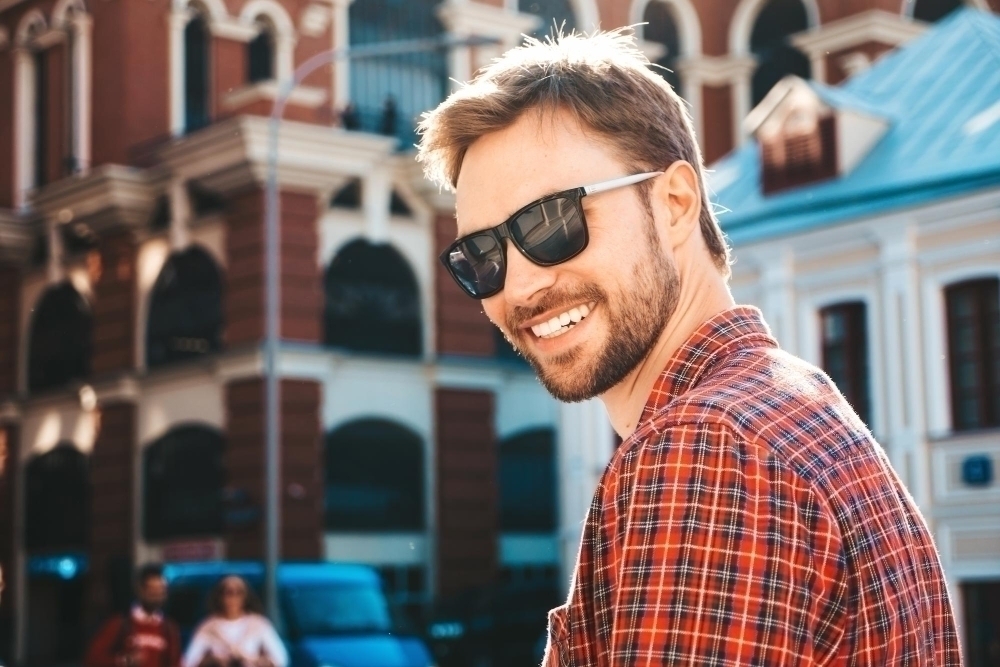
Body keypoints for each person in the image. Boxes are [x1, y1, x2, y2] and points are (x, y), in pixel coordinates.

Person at [417, 29, 961, 666]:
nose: (521, 283)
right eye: (481, 256)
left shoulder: (707, 446)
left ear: (674, 203)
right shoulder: (784, 405)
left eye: (550, 221)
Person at [85, 563, 181, 667]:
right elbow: (92, 659)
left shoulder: (169, 629)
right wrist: (125, 660)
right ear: (141, 590)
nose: (157, 596)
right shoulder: (120, 623)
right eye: (152, 591)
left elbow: (175, 662)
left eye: (161, 591)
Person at [182, 576, 287, 667]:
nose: (233, 598)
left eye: (238, 593)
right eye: (228, 593)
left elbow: (281, 660)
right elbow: (188, 661)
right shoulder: (208, 626)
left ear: (245, 596)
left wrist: (253, 660)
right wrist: (212, 661)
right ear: (220, 596)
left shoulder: (258, 624)